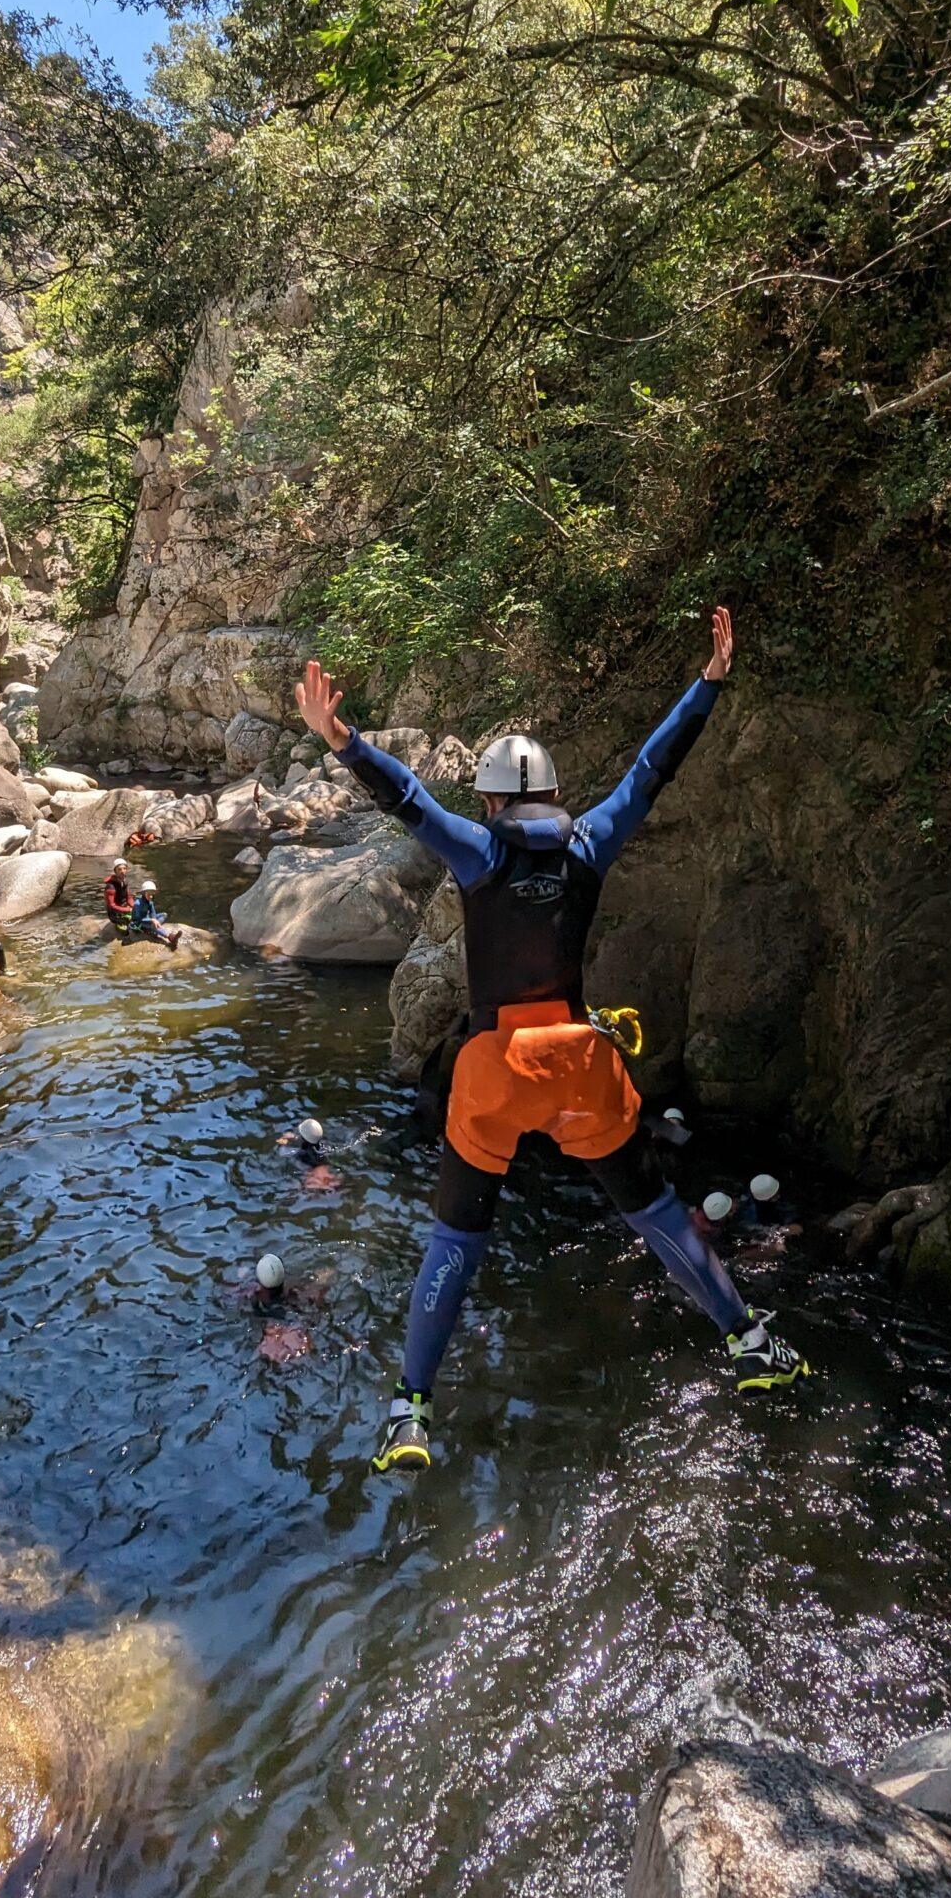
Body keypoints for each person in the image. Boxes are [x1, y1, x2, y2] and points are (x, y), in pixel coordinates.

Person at [294, 608, 807, 1474]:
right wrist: (708, 684)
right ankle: (749, 1343)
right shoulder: (589, 843)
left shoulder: (480, 851)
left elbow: (409, 798)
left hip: (496, 1074)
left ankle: (410, 1412)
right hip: (584, 1067)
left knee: (457, 1240)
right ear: (553, 791)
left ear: (492, 799)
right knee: (652, 1213)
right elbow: (653, 769)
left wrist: (340, 737)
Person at [129, 877, 180, 951]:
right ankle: (170, 937)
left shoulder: (150, 901)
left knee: (164, 915)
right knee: (153, 925)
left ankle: (153, 929)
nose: (151, 896)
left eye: (152, 894)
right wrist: (152, 920)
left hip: (148, 919)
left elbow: (153, 913)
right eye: (148, 894)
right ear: (143, 893)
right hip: (139, 923)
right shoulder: (138, 904)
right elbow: (138, 919)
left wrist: (155, 920)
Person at [102, 858, 135, 932]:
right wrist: (128, 910)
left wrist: (134, 906)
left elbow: (129, 896)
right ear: (115, 871)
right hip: (115, 914)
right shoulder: (110, 887)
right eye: (119, 869)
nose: (122, 871)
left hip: (124, 908)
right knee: (126, 930)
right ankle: (119, 923)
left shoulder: (124, 881)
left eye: (124, 869)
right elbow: (112, 906)